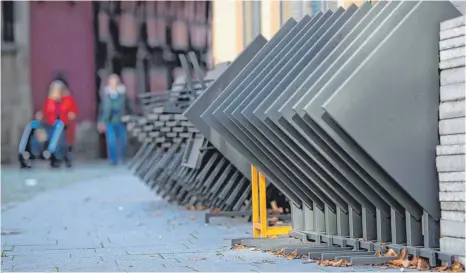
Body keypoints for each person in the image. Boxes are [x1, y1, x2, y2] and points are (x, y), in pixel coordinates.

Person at [35, 80, 77, 167]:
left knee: (64, 143)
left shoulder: (68, 99)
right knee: (54, 141)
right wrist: (41, 115)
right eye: (54, 89)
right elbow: (46, 111)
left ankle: (66, 159)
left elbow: (73, 110)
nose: (55, 92)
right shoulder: (49, 101)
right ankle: (55, 159)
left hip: (65, 125)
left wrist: (71, 115)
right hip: (52, 125)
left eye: (57, 90)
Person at [97, 74, 133, 165]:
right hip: (109, 120)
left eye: (115, 81)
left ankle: (122, 158)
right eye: (112, 81)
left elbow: (129, 106)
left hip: (121, 119)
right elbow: (102, 108)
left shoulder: (123, 94)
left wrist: (131, 116)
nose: (114, 83)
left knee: (123, 140)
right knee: (111, 141)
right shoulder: (106, 94)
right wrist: (100, 121)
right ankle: (113, 160)